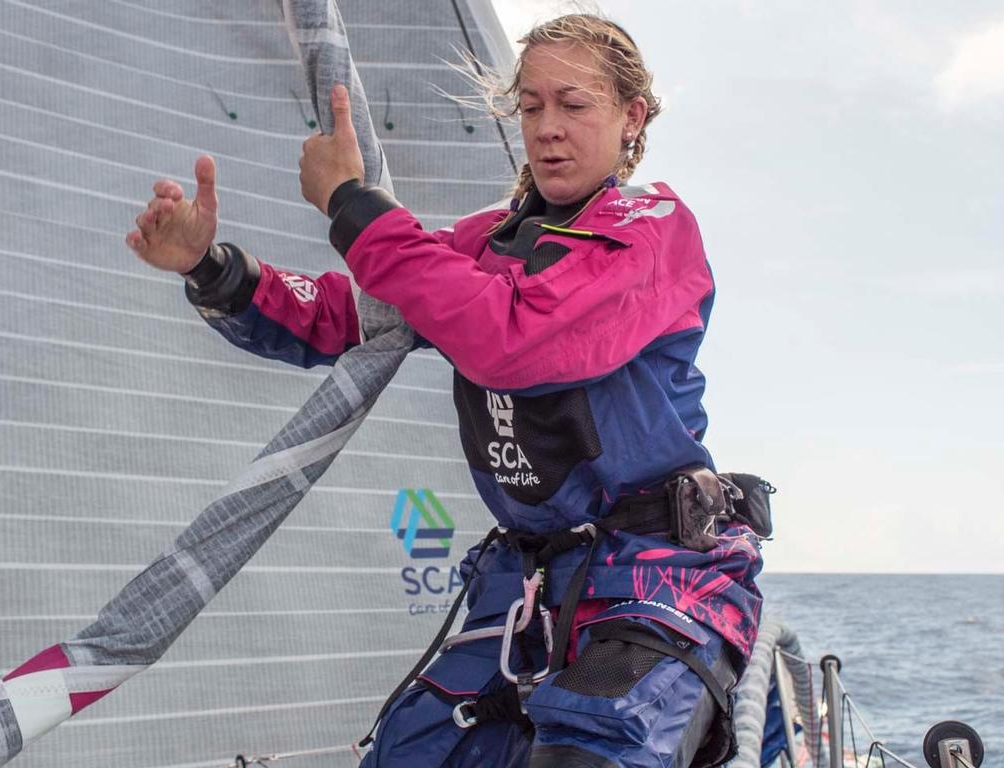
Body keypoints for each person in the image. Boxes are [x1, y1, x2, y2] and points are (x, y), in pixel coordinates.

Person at [126, 14, 764, 768]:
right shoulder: (482, 241)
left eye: (574, 104)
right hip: (526, 588)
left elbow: (515, 340)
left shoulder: (653, 228)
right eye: (530, 108)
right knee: (405, 754)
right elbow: (347, 315)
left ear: (632, 117)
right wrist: (214, 268)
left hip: (655, 580)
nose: (548, 129)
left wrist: (354, 206)